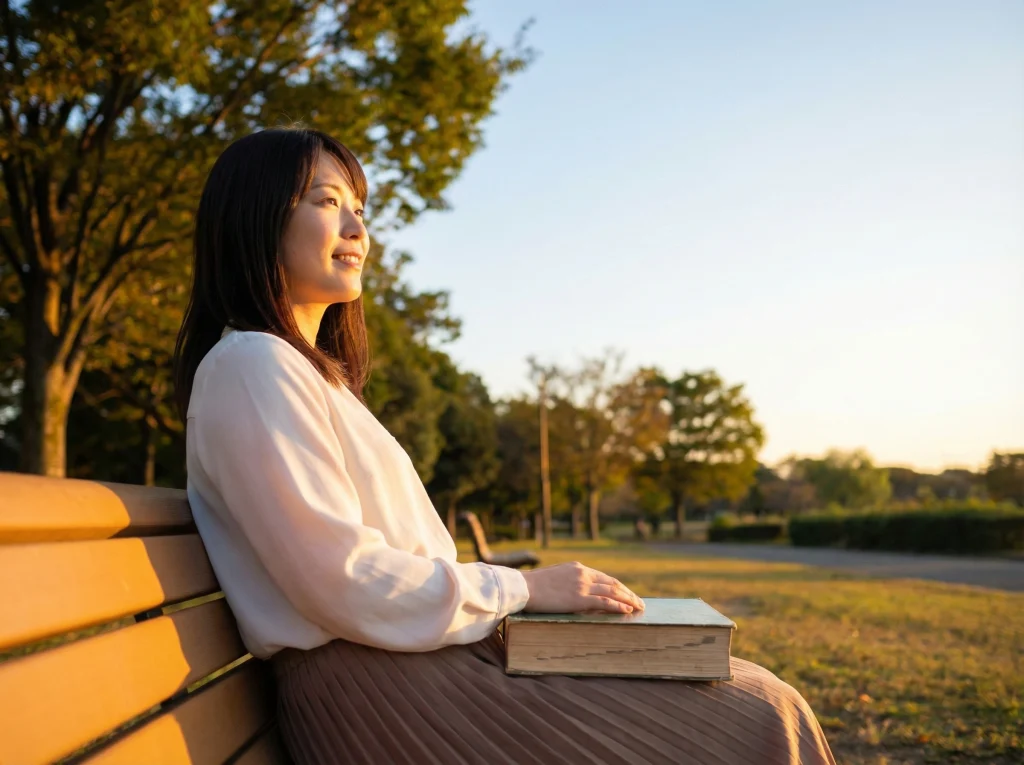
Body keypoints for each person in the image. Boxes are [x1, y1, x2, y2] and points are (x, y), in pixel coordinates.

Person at [173, 126, 836, 765]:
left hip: (422, 668)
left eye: (358, 208)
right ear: (257, 220)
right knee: (761, 711)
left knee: (754, 691)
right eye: (326, 202)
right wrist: (524, 586)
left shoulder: (304, 373)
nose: (356, 229)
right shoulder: (253, 365)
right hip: (390, 695)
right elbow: (344, 579)